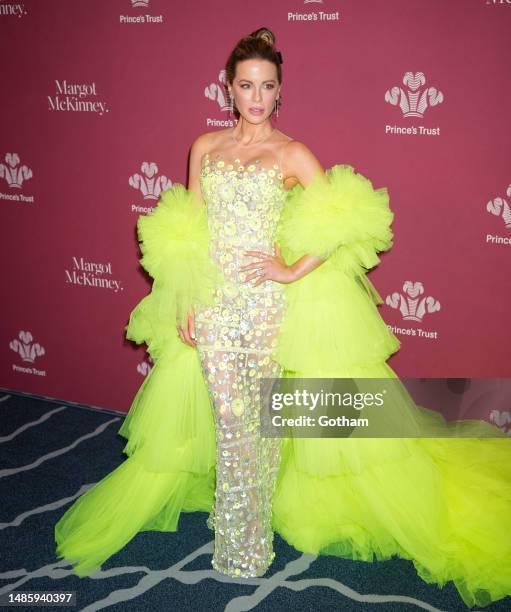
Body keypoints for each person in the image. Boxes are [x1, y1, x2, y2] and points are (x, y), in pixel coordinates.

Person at [55, 27, 511, 608]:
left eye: (267, 86)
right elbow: (187, 231)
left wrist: (292, 270)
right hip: (217, 306)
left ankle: (247, 542)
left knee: (259, 421)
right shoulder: (205, 148)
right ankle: (239, 537)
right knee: (232, 420)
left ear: (279, 91)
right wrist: (186, 298)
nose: (256, 97)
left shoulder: (291, 153)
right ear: (229, 89)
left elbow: (350, 218)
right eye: (246, 85)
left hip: (268, 309)